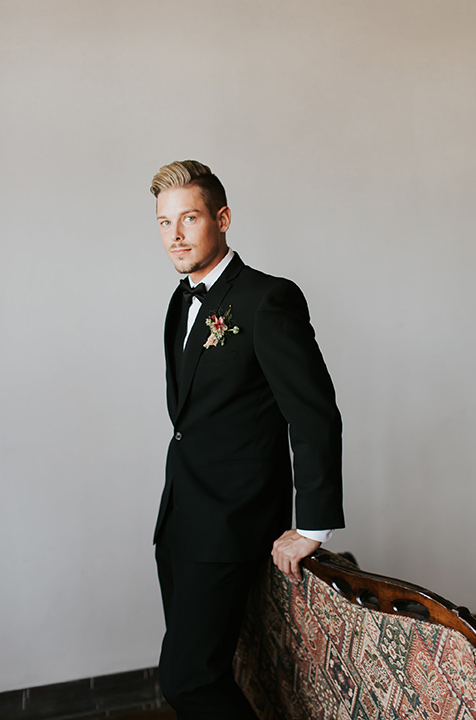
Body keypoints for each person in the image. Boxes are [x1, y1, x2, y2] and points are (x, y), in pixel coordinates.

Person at [150, 160, 344, 720]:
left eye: (189, 218)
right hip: (181, 519)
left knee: (187, 679)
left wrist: (311, 526)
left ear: (223, 218)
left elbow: (314, 415)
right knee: (205, 669)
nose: (176, 235)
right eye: (164, 223)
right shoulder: (179, 301)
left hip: (234, 522)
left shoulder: (268, 299)